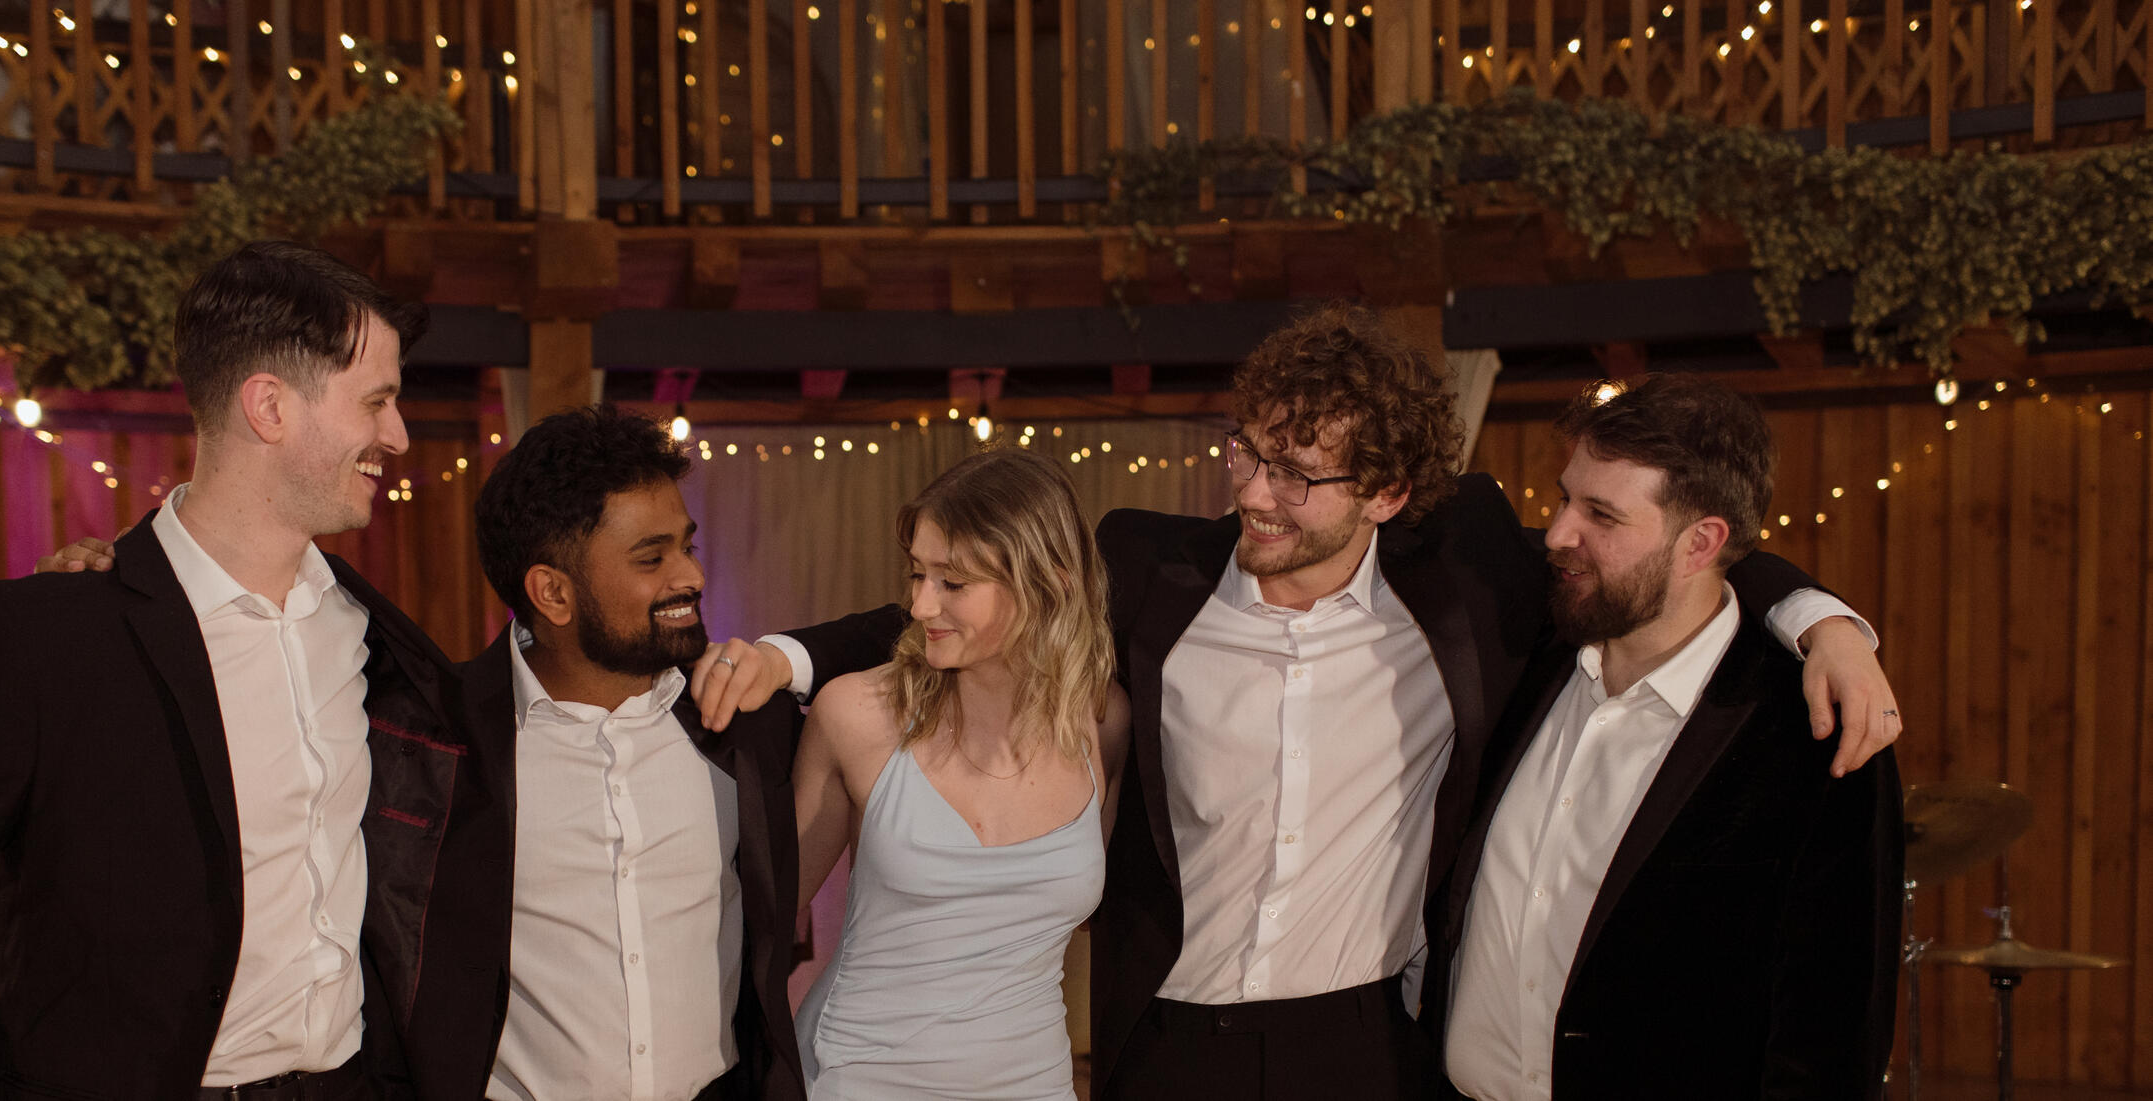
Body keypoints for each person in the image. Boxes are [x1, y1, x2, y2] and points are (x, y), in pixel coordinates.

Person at [687, 304, 1901, 1101]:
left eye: (1297, 473)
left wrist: (1819, 618)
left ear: (1388, 495)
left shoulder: (1471, 580)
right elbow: (980, 598)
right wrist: (791, 656)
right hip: (1165, 1039)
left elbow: (1662, 559)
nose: (1255, 493)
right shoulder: (1148, 572)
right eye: (1248, 450)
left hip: (1364, 1047)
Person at [0, 241, 498, 1099]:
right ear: (269, 407)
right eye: (376, 401)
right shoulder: (48, 639)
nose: (396, 434)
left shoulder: (371, 634)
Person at [1423, 375, 1901, 1100]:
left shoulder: (1810, 729)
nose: (1557, 534)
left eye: (1601, 515)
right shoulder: (1524, 648)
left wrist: (1825, 626)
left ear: (1700, 542)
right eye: (1564, 498)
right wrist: (1818, 613)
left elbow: (1831, 1034)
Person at [463, 404, 806, 1101]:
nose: (692, 576)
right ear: (553, 593)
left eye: (687, 546)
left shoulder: (736, 719)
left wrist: (785, 656)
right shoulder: (451, 739)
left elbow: (897, 635)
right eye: (652, 558)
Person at [791, 449, 1132, 1100]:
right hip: (856, 1079)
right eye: (918, 574)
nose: (921, 605)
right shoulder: (857, 716)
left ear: (1051, 584)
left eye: (952, 582)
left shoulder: (1103, 719)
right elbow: (764, 919)